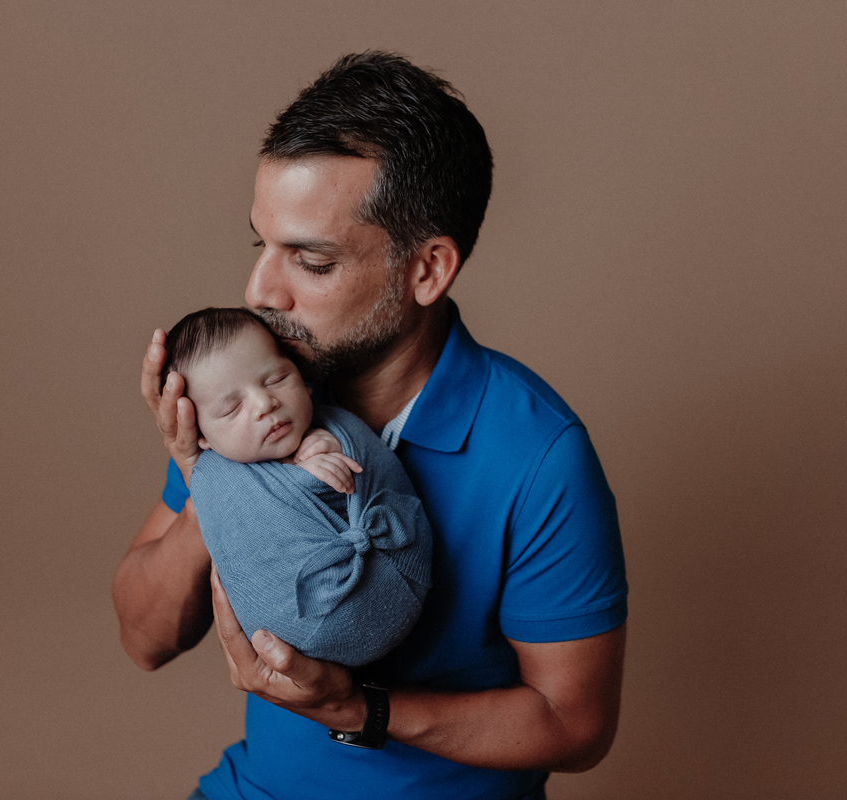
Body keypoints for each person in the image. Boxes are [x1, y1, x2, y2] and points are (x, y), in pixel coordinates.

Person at [113, 51, 628, 800]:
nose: (260, 292)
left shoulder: (538, 454)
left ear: (427, 270)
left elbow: (575, 726)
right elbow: (145, 641)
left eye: (311, 261)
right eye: (262, 245)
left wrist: (358, 710)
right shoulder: (258, 398)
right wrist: (208, 478)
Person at [161, 306, 431, 666]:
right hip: (300, 625)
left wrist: (327, 453)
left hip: (390, 584)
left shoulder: (331, 428)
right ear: (202, 435)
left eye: (276, 379)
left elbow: (360, 480)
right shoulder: (215, 474)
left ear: (302, 378)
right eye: (231, 408)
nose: (265, 404)